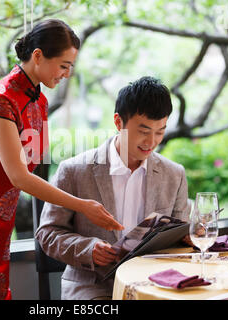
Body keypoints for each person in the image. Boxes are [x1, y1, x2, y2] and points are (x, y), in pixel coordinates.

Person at [0, 19, 123, 300]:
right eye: (64, 65)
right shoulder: (2, 100)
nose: (67, 74)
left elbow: (0, 156)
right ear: (38, 56)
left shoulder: (38, 100)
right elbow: (18, 176)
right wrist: (82, 206)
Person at [34, 76, 191, 300]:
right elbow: (47, 234)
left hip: (155, 284)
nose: (151, 142)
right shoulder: (74, 170)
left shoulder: (174, 174)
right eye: (143, 131)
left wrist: (189, 237)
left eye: (160, 131)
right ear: (118, 122)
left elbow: (178, 234)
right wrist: (88, 249)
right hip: (93, 286)